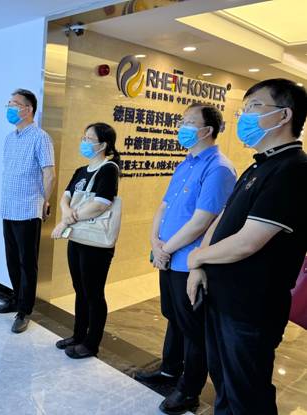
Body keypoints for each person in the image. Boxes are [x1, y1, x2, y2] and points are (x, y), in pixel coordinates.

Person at [187, 79, 307, 415]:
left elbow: (247, 242)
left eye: (253, 106)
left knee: (247, 394)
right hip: (223, 296)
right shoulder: (260, 164)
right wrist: (200, 265)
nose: (244, 116)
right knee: (225, 383)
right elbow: (224, 218)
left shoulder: (294, 170)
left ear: (284, 115)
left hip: (251, 307)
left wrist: (196, 256)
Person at [136, 103, 236, 415]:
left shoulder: (219, 168)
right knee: (174, 317)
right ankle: (169, 370)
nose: (182, 127)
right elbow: (164, 206)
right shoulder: (186, 163)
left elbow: (202, 221)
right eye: (182, 121)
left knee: (193, 329)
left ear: (207, 130)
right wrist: (155, 242)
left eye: (189, 122)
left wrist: (166, 249)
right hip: (167, 255)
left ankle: (190, 390)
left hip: (188, 262)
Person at [51, 122, 120, 359]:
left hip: (96, 244)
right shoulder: (81, 170)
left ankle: (92, 344)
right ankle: (78, 334)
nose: (84, 142)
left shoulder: (109, 169)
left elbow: (101, 204)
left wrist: (66, 222)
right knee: (79, 289)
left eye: (89, 139)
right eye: (84, 137)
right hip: (78, 238)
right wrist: (66, 214)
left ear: (103, 145)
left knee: (93, 293)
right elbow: (65, 197)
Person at [0, 89, 55, 334]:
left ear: (28, 109)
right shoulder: (10, 138)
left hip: (28, 209)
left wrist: (45, 202)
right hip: (8, 207)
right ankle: (15, 299)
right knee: (12, 259)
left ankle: (25, 310)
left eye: (15, 104)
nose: (10, 108)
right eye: (9, 103)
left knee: (27, 263)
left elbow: (49, 174)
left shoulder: (41, 138)